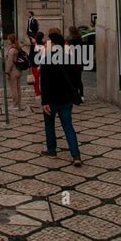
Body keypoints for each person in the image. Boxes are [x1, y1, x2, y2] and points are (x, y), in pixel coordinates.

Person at [39, 30, 82, 167]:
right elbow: (76, 79)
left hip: (51, 100)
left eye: (48, 42)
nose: (46, 43)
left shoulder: (46, 60)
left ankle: (52, 150)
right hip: (66, 99)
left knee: (49, 125)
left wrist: (44, 101)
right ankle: (76, 155)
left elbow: (44, 83)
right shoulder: (69, 58)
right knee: (68, 126)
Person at [66, 26, 85, 102]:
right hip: (79, 61)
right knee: (79, 79)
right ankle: (81, 95)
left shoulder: (70, 41)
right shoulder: (80, 39)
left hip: (72, 62)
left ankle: (75, 95)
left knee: (72, 79)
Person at [5, 33, 23, 110]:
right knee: (18, 88)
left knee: (14, 89)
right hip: (18, 70)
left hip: (13, 71)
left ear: (11, 40)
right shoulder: (17, 48)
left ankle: (15, 105)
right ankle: (18, 104)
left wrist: (7, 72)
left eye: (8, 39)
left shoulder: (12, 50)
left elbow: (10, 62)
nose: (7, 40)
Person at [30, 31, 44, 98]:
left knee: (36, 79)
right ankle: (40, 91)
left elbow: (31, 55)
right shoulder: (44, 45)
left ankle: (37, 92)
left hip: (35, 64)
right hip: (42, 63)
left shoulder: (33, 45)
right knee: (41, 79)